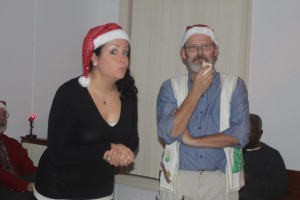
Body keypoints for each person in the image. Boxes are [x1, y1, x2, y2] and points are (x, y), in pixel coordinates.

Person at [34, 22, 139, 200]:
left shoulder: (128, 94)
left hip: (101, 191)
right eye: (114, 51)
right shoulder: (69, 94)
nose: (123, 59)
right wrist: (108, 148)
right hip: (58, 190)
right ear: (94, 58)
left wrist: (122, 154)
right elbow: (57, 154)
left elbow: (132, 139)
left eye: (125, 52)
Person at [156, 24, 250, 200]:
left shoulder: (235, 85)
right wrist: (196, 91)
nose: (199, 52)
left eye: (206, 46)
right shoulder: (170, 88)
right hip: (179, 179)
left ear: (215, 51)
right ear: (184, 54)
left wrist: (191, 140)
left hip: (221, 181)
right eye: (192, 47)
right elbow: (169, 134)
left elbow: (240, 136)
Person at [239, 113, 288, 200]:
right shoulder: (233, 151)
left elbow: (281, 190)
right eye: (244, 130)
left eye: (251, 132)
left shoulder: (272, 156)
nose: (247, 135)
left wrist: (249, 180)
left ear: (260, 134)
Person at [0, 100, 37, 200]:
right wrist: (26, 186)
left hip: (17, 181)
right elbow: (2, 176)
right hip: (3, 186)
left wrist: (43, 175)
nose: (2, 118)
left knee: (45, 181)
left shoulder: (13, 143)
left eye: (4, 114)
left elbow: (27, 166)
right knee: (29, 196)